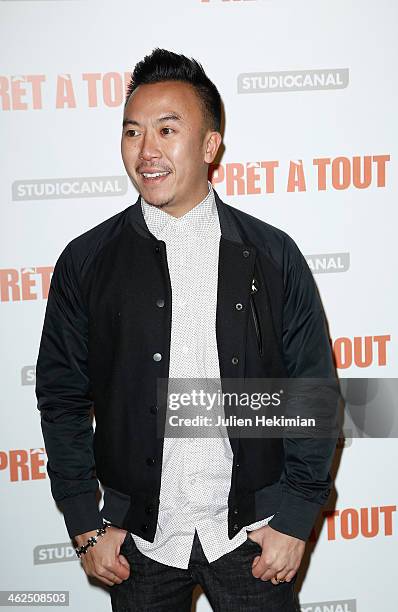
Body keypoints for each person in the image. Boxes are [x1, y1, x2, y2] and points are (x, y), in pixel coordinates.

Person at [35, 48, 339, 612]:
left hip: (253, 536)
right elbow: (61, 400)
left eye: (167, 130)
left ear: (209, 145)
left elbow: (312, 394)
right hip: (141, 544)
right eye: (133, 132)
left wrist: (296, 519)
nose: (146, 151)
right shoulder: (86, 261)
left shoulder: (272, 255)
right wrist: (85, 524)